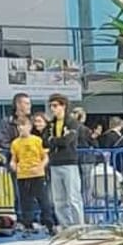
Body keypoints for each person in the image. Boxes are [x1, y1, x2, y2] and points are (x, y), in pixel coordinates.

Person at [10, 116, 54, 234]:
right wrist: (14, 166)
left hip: (37, 175)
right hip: (22, 175)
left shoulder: (37, 140)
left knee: (43, 201)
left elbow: (45, 157)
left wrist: (40, 167)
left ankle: (49, 224)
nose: (21, 128)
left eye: (23, 125)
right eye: (19, 126)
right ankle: (28, 225)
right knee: (25, 202)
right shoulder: (15, 143)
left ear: (29, 127)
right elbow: (14, 159)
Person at [45, 93, 83, 226]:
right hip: (54, 163)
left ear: (64, 106)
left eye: (55, 106)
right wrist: (56, 140)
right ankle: (65, 226)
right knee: (59, 199)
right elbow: (45, 141)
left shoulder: (72, 122)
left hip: (69, 162)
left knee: (73, 198)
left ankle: (79, 226)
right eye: (51, 106)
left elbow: (67, 141)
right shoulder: (51, 124)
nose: (52, 109)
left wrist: (54, 140)